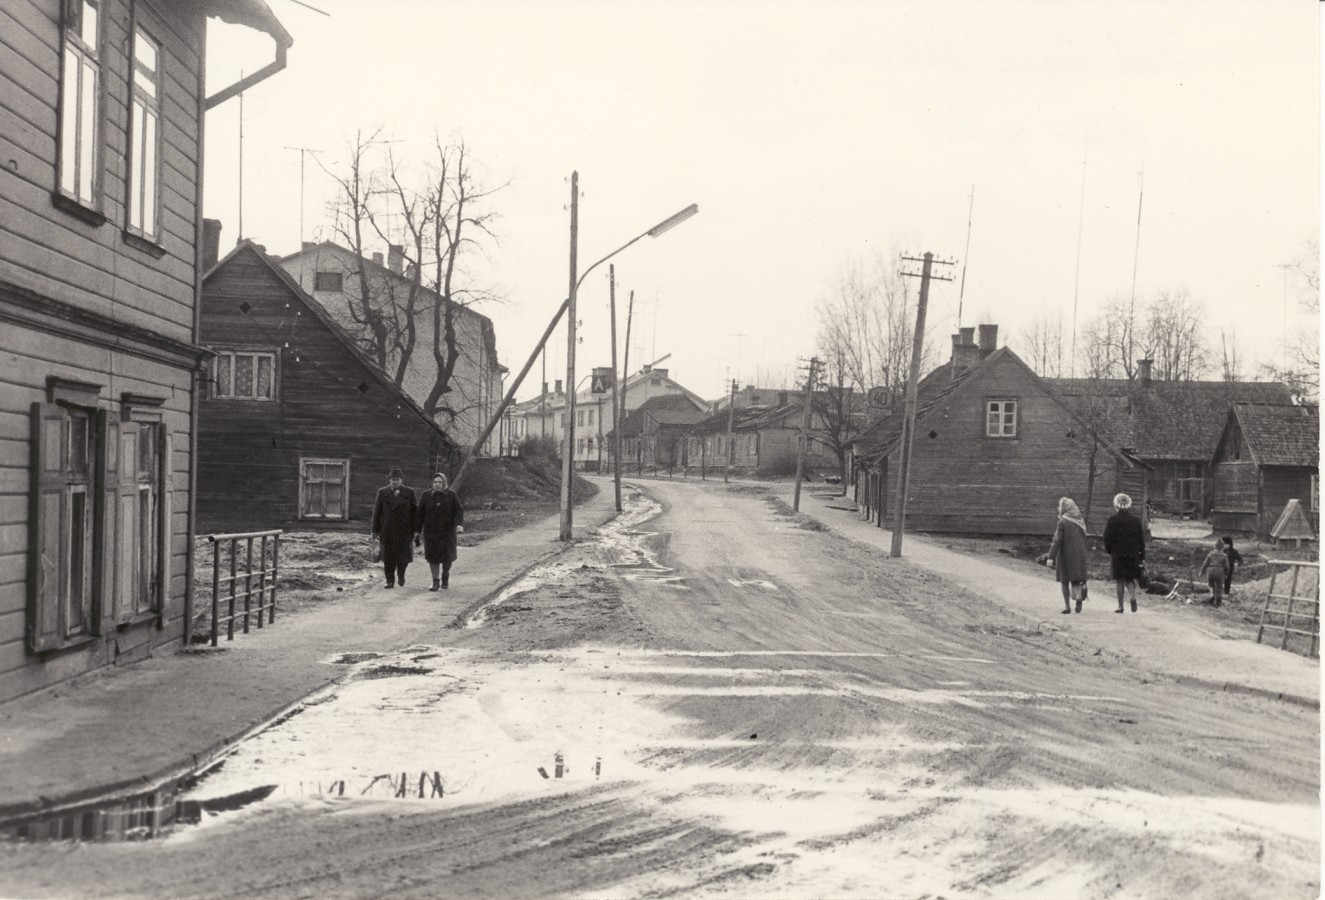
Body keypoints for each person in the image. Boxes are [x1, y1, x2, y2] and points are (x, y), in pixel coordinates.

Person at [1038, 497, 1090, 614]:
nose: (1059, 508)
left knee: (1064, 581)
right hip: (1079, 555)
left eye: (1060, 506)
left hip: (1065, 555)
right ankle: (1078, 598)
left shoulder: (1062, 522)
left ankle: (1067, 606)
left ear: (1065, 508)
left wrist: (1051, 557)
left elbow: (1057, 540)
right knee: (1076, 580)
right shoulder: (1080, 522)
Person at [415, 472, 464, 591]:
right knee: (432, 557)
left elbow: (459, 511)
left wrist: (459, 524)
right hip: (431, 532)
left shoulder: (451, 495)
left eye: (440, 482)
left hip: (447, 533)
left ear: (444, 483)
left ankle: (445, 575)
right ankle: (435, 582)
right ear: (432, 483)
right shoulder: (426, 495)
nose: (437, 484)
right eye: (435, 482)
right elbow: (420, 514)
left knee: (448, 558)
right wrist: (417, 531)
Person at [371, 468, 417, 588]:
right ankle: (389, 580)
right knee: (388, 557)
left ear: (401, 480)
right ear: (389, 480)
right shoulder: (382, 492)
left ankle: (401, 575)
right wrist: (374, 530)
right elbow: (377, 512)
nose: (395, 482)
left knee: (403, 557)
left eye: (397, 480)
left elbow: (414, 513)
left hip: (404, 530)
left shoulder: (409, 493)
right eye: (393, 480)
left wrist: (416, 530)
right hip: (387, 530)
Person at [1102, 492, 1145, 614]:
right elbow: (1141, 540)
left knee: (1119, 580)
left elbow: (1107, 538)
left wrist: (1109, 550)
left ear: (1116, 504)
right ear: (1128, 504)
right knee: (1129, 579)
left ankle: (1120, 606)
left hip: (1118, 554)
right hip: (1132, 554)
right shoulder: (1136, 521)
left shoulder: (1112, 520)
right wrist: (1142, 556)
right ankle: (1132, 597)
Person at [1200, 538, 1231, 608]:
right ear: (1222, 547)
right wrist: (1226, 574)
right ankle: (1218, 603)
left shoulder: (1210, 554)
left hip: (1210, 571)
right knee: (1219, 588)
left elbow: (1205, 563)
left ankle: (1212, 594)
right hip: (1220, 572)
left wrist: (1201, 572)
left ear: (1214, 546)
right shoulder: (1224, 556)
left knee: (1211, 584)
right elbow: (1227, 567)